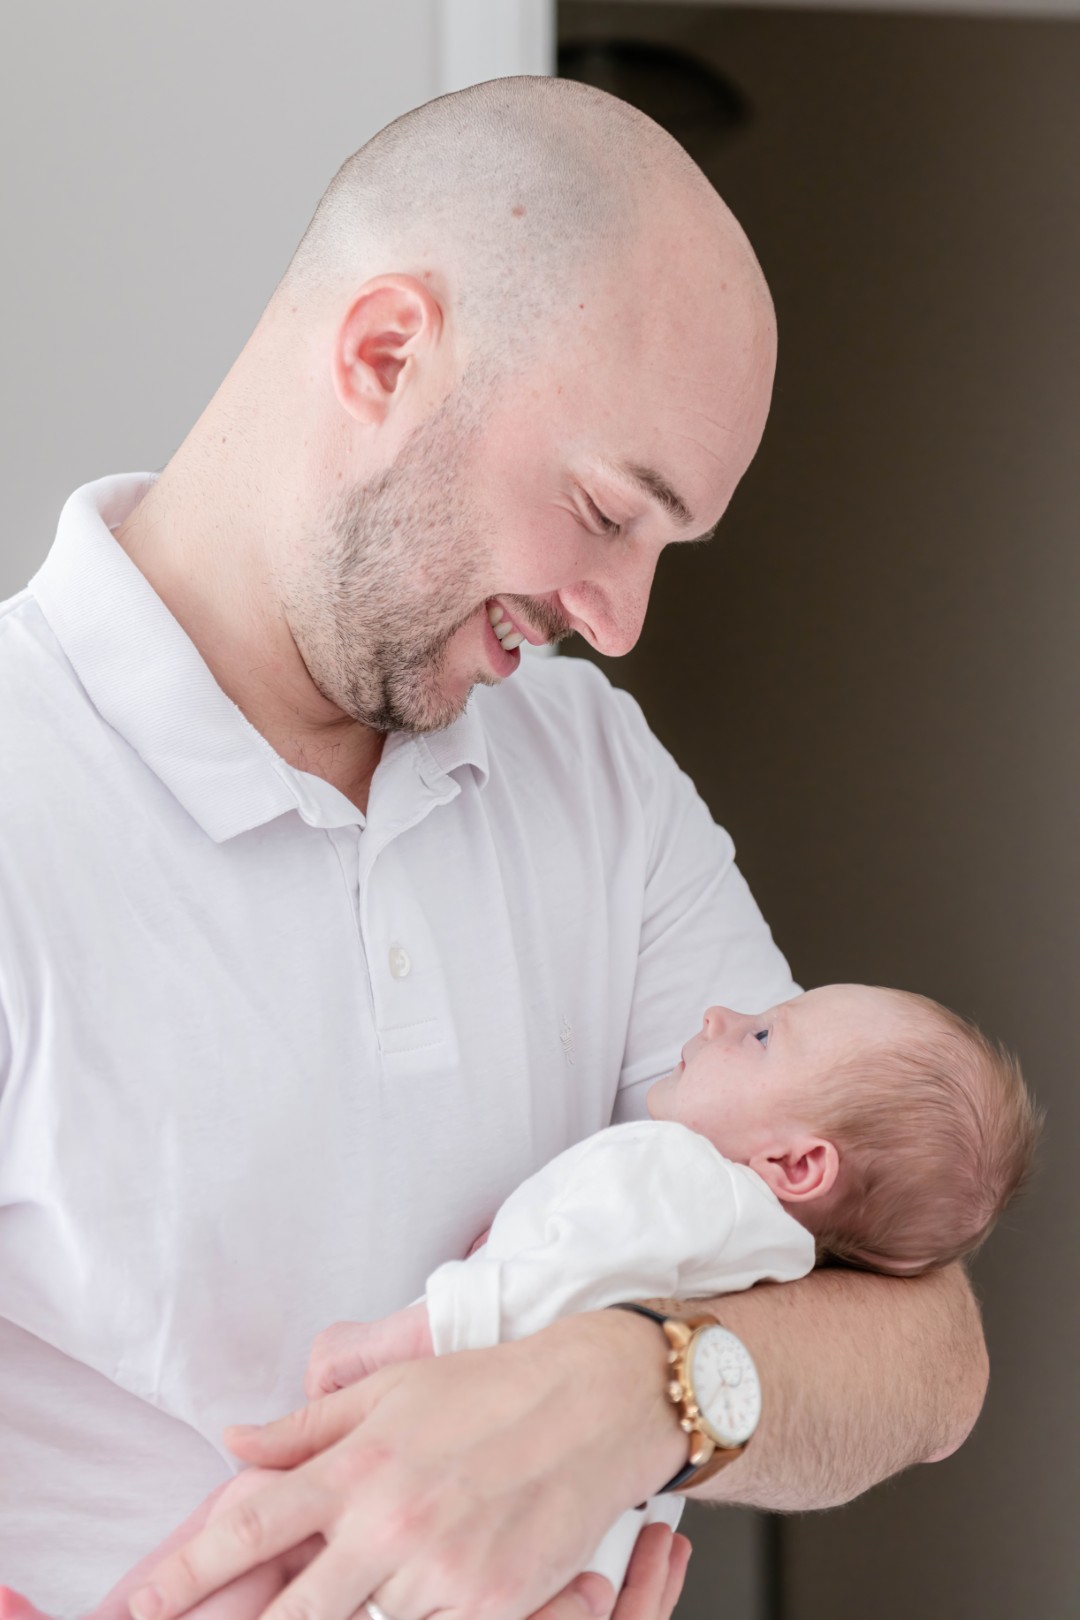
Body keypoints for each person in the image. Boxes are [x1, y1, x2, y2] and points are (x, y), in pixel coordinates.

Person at [0, 76, 990, 1620]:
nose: (621, 621)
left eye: (665, 549)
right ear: (386, 355)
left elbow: (925, 1351)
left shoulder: (592, 772)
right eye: (605, 510)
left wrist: (633, 1393)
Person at [67, 982, 1036, 1620]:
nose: (716, 1014)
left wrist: (405, 1334)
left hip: (446, 1478)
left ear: (797, 1163)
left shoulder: (678, 1176)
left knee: (256, 1531)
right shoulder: (779, 1261)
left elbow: (551, 1284)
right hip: (575, 1553)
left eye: (762, 1035)